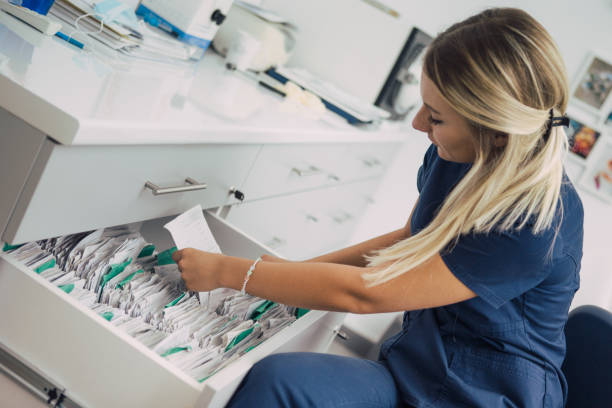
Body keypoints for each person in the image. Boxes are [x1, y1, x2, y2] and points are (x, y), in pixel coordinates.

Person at [172, 7, 583, 407]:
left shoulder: (536, 223)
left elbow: (365, 295)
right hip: (419, 368)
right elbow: (409, 242)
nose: (418, 124)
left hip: (486, 395)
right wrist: (284, 274)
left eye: (436, 117)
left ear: (495, 133)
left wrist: (231, 273)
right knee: (281, 381)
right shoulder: (456, 155)